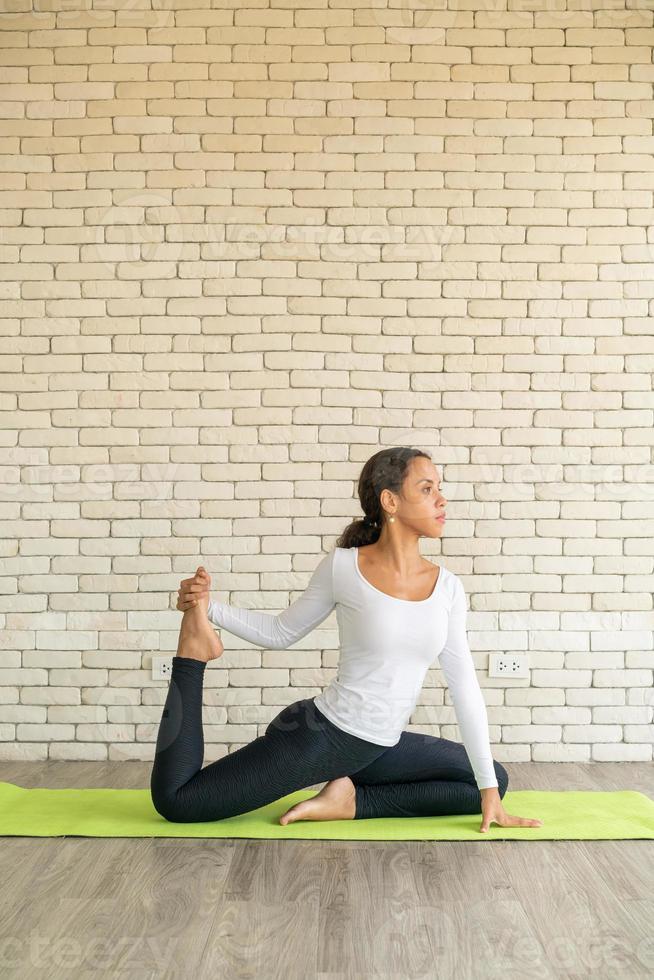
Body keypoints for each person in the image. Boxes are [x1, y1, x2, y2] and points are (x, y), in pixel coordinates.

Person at [150, 447, 543, 833]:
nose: (442, 499)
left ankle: (351, 800)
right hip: (321, 735)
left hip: (378, 745)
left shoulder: (448, 589)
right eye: (427, 489)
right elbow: (281, 632)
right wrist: (207, 609)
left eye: (439, 488)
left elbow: (465, 688)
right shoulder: (344, 567)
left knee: (493, 781)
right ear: (390, 500)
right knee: (178, 802)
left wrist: (488, 790)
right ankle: (192, 654)